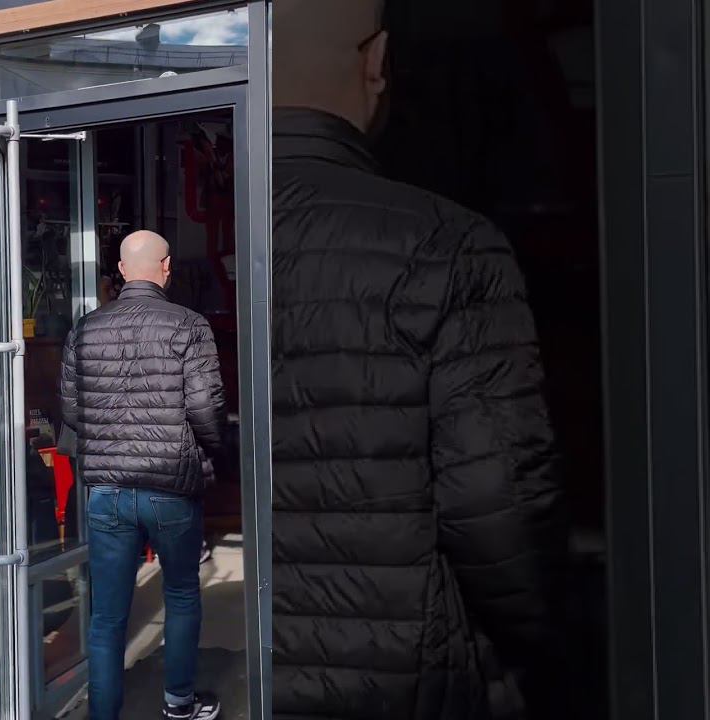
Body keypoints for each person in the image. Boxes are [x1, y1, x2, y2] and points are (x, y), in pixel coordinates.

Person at [270, 2, 567, 719]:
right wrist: (538, 643)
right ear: (376, 63)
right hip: (408, 682)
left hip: (231, 667)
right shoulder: (449, 245)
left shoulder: (168, 242)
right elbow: (500, 506)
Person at [60, 230, 226, 720]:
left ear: (122, 270)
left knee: (107, 617)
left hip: (107, 490)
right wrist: (211, 450)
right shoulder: (189, 325)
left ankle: (103, 715)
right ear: (167, 267)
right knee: (181, 594)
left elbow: (71, 409)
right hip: (171, 485)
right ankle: (179, 704)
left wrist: (110, 439)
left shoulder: (85, 329)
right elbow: (207, 410)